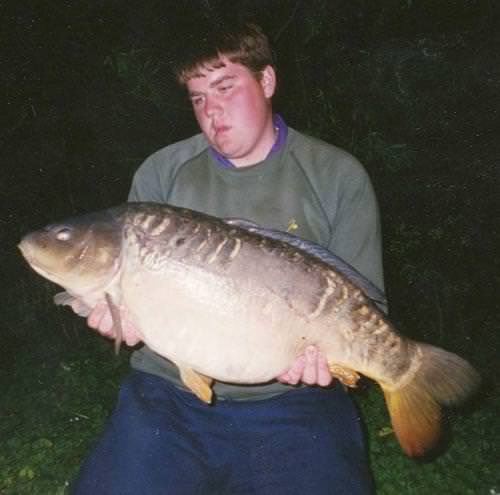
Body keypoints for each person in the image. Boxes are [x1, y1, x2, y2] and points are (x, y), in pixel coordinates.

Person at [71, 22, 384, 495]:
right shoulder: (163, 172)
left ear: (267, 81)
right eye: (197, 98)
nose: (211, 111)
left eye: (224, 87)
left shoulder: (337, 176)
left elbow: (367, 310)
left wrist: (329, 363)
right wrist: (120, 318)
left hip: (295, 401)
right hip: (169, 394)